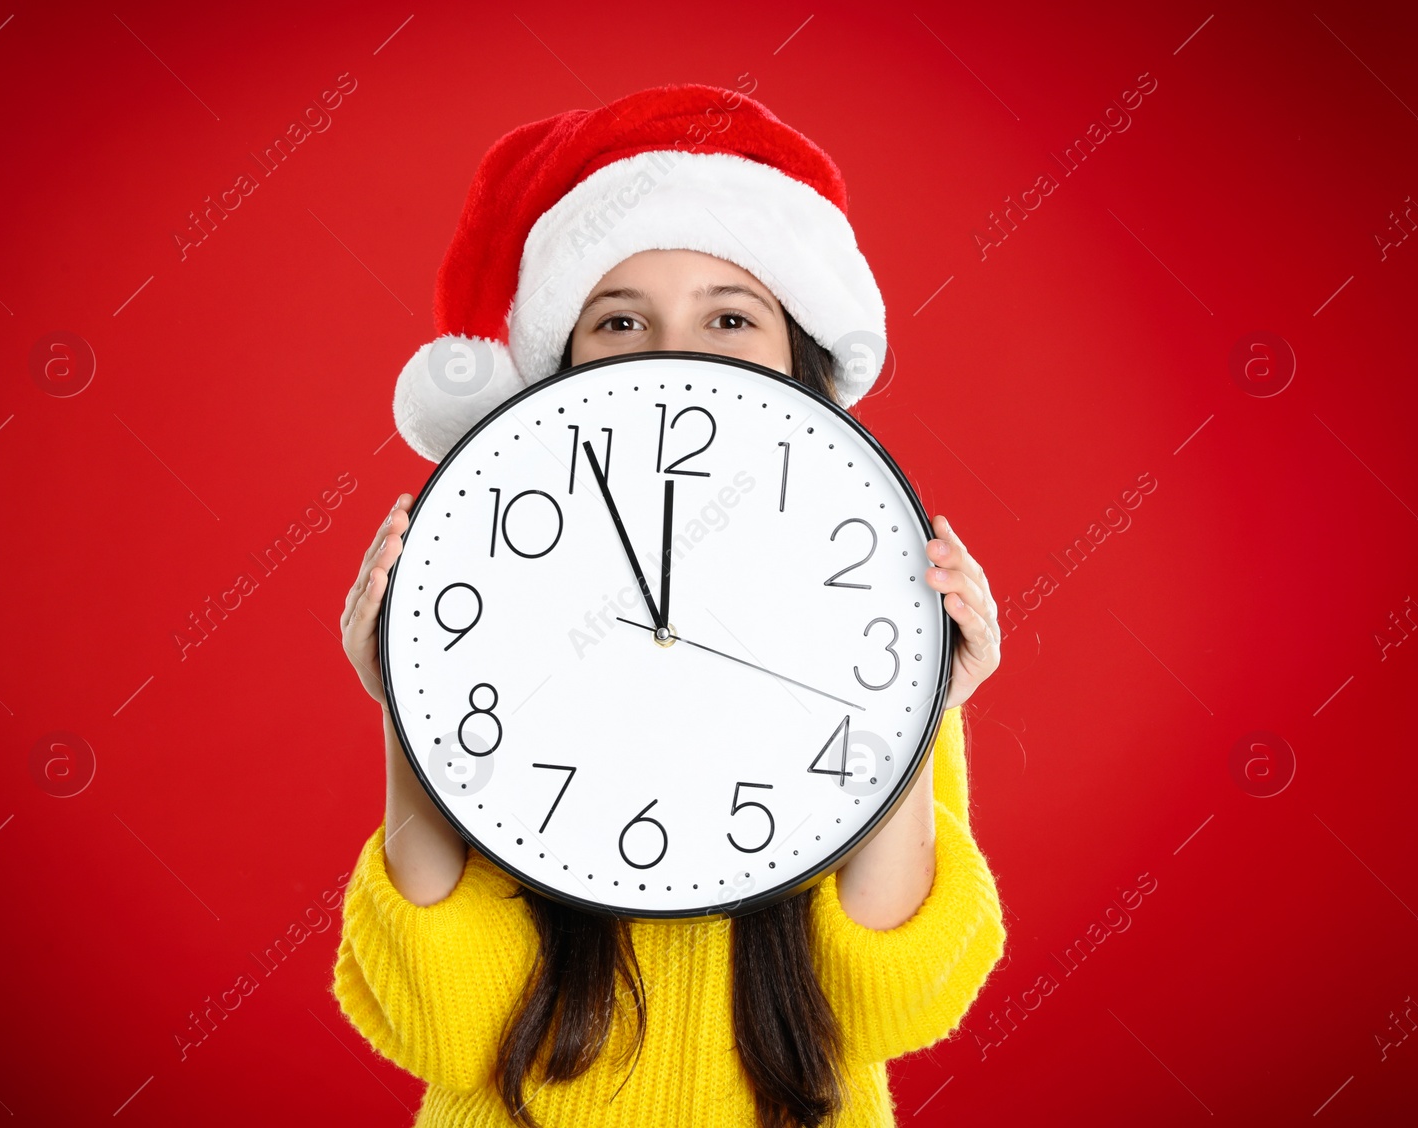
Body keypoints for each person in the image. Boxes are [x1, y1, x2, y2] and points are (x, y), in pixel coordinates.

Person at [333, 83, 1006, 1128]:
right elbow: (442, 1026)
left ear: (802, 364)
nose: (672, 357)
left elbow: (893, 1001)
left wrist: (915, 713)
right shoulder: (482, 601)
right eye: (619, 321)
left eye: (728, 318)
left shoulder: (874, 609)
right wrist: (406, 707)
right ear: (555, 376)